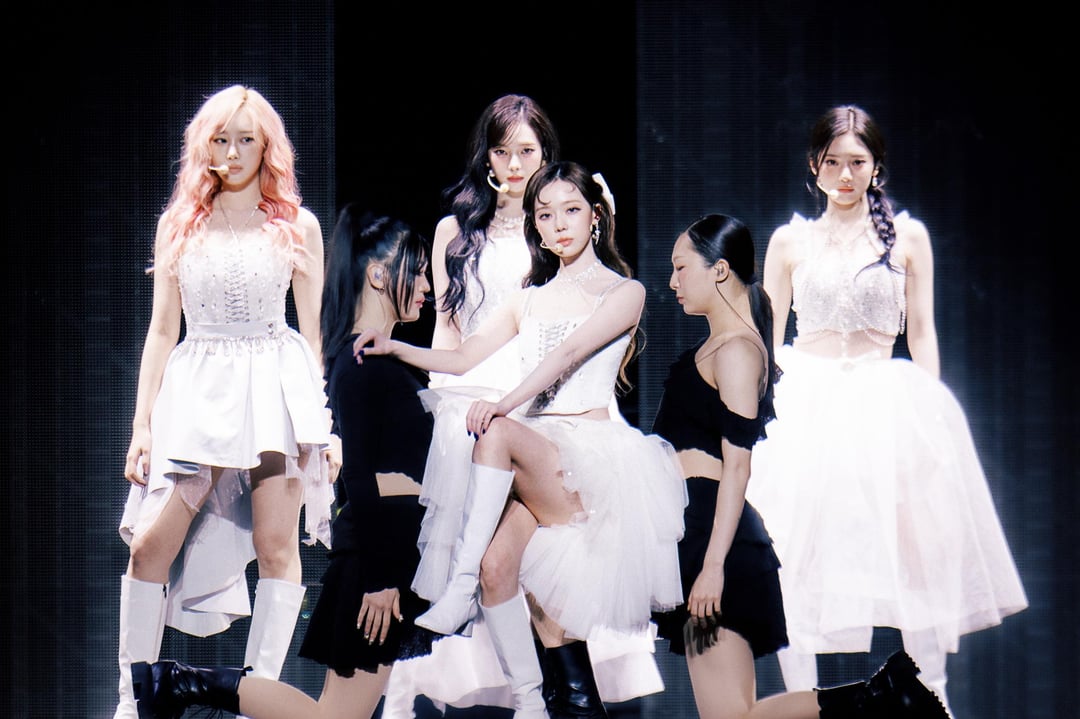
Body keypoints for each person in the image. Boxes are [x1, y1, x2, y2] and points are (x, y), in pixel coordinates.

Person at [356, 161, 686, 718]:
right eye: (546, 214)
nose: (559, 224)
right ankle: (530, 702)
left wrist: (504, 404)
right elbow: (464, 356)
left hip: (589, 457)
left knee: (496, 431)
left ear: (595, 217)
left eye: (571, 210)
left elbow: (568, 355)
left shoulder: (624, 291)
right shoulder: (527, 298)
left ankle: (458, 588)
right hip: (537, 453)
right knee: (497, 568)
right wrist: (396, 347)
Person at [744, 105, 1029, 718]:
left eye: (858, 162)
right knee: (792, 556)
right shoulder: (791, 241)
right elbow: (765, 335)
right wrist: (753, 410)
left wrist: (930, 414)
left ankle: (933, 700)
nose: (845, 175)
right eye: (833, 162)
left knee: (913, 554)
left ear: (876, 167)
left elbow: (921, 332)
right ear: (814, 165)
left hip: (883, 402)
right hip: (806, 403)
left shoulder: (907, 238)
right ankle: (808, 706)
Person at [128, 206, 443, 719]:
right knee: (336, 718)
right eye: (420, 270)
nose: (428, 285)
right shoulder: (360, 365)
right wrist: (382, 576)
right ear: (379, 274)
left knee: (340, 717)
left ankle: (183, 682)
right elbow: (361, 479)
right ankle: (179, 682)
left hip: (398, 557)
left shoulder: (383, 360)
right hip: (379, 563)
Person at [650, 213, 949, 719]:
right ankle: (882, 695)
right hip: (697, 533)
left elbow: (738, 467)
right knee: (734, 714)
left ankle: (884, 696)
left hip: (712, 538)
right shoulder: (725, 345)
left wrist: (713, 566)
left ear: (719, 270)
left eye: (681, 268)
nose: (673, 282)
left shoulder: (737, 350)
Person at [113, 85, 339, 719]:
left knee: (277, 547)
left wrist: (327, 428)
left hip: (274, 390)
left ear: (267, 146)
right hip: (199, 392)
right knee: (149, 546)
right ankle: (131, 699)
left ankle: (255, 697)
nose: (233, 152)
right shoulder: (179, 224)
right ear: (204, 146)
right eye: (221, 139)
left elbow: (314, 337)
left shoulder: (297, 225)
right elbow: (163, 330)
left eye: (246, 139)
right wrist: (142, 427)